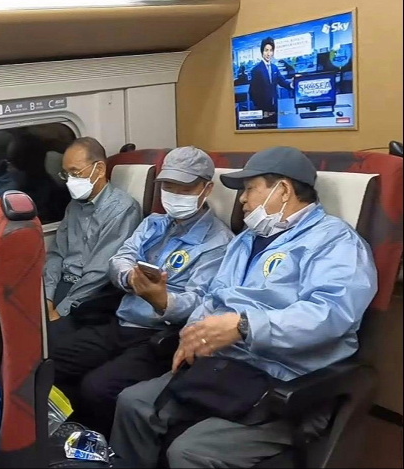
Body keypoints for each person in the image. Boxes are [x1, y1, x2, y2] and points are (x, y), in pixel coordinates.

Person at [110, 146, 378, 468]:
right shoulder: (245, 240)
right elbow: (214, 297)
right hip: (226, 367)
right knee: (133, 403)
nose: (242, 200)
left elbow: (331, 314)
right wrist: (193, 333)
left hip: (286, 380)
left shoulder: (335, 241)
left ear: (283, 190)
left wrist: (245, 326)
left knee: (190, 450)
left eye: (250, 189)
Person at [50, 146, 233, 435]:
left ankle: (106, 444)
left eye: (184, 188)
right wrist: (129, 278)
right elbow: (120, 258)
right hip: (122, 319)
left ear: (206, 189)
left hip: (158, 335)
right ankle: (71, 433)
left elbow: (202, 301)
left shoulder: (218, 242)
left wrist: (163, 300)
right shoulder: (153, 224)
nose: (174, 193)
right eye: (168, 186)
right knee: (52, 360)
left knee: (97, 387)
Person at [45, 137, 141, 321]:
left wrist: (60, 311)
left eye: (75, 173)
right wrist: (47, 297)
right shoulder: (74, 206)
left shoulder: (123, 209)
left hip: (92, 295)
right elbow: (56, 254)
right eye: (66, 174)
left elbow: (101, 272)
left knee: (50, 333)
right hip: (63, 284)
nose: (70, 181)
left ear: (100, 169)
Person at [248, 37, 293, 122]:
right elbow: (252, 92)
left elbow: (282, 81)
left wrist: (291, 84)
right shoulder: (256, 70)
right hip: (263, 110)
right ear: (262, 52)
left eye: (271, 50)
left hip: (275, 107)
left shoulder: (274, 67)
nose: (268, 54)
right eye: (266, 50)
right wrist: (261, 111)